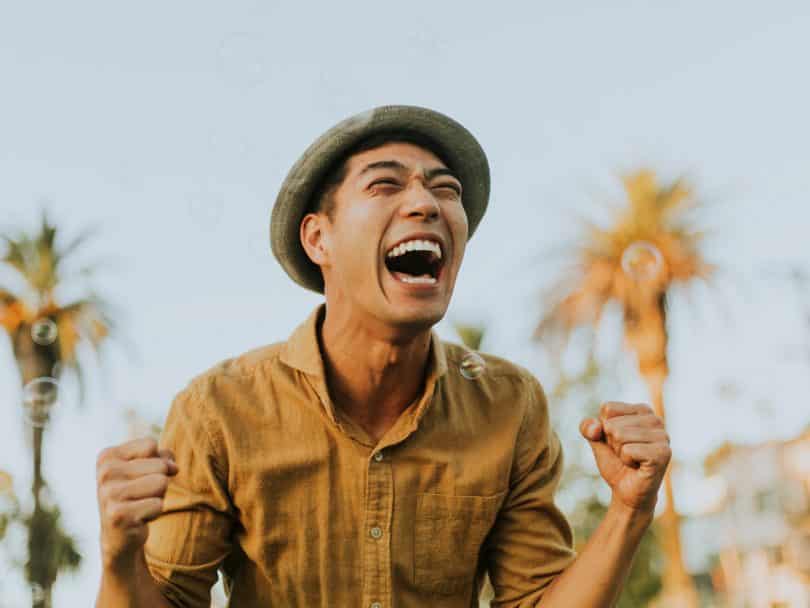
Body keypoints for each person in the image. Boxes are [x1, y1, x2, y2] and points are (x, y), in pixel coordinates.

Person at [95, 105, 672, 608]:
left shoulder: (509, 405)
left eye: (445, 189)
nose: (425, 202)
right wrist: (121, 556)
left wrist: (629, 511)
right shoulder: (218, 410)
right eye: (385, 186)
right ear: (318, 238)